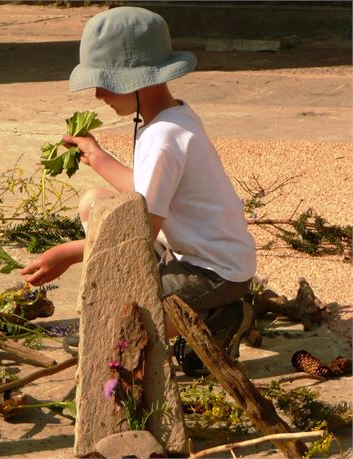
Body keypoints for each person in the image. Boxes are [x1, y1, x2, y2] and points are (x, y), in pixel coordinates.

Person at [20, 6, 257, 376]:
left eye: (106, 81)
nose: (98, 93)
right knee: (95, 202)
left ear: (140, 79)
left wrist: (67, 254)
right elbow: (146, 196)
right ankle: (199, 310)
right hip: (186, 251)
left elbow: (141, 229)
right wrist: (97, 156)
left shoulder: (163, 138)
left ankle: (224, 314)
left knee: (110, 333)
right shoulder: (169, 118)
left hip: (215, 271)